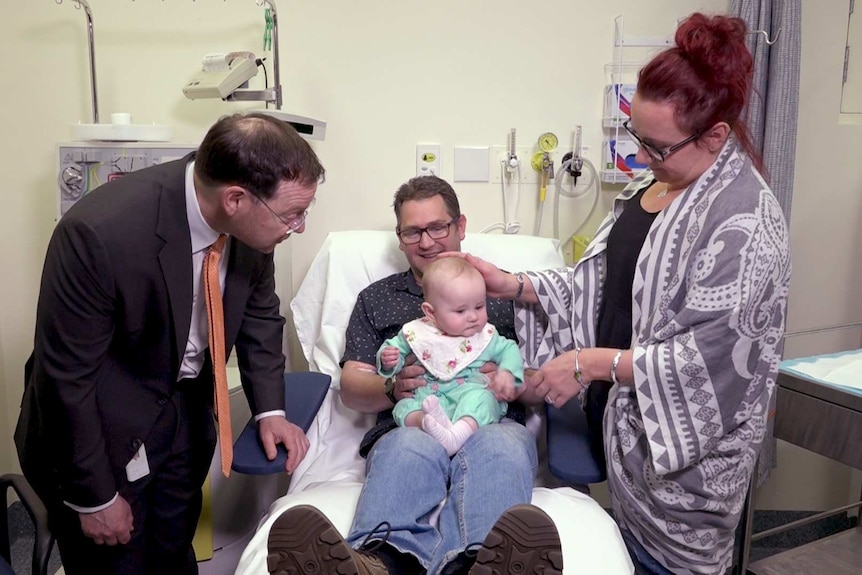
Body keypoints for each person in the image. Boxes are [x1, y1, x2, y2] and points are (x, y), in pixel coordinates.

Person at [456, 13, 792, 575]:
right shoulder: (657, 181)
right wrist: (515, 285)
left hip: (682, 476)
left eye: (656, 146)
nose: (640, 158)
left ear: (715, 134)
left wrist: (589, 363)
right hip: (623, 429)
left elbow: (708, 365)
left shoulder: (746, 223)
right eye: (636, 136)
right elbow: (603, 285)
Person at [15, 112, 323, 574]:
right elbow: (66, 380)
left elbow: (259, 314)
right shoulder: (100, 233)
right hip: (96, 430)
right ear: (236, 199)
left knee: (173, 555)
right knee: (116, 562)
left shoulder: (251, 230)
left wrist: (270, 411)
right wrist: (93, 496)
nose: (297, 226)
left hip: (181, 413)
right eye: (293, 214)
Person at [265, 175, 563, 575]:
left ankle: (479, 564)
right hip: (414, 423)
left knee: (504, 446)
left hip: (490, 423)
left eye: (437, 227)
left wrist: (510, 380)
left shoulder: (500, 293)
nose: (426, 242)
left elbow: (539, 381)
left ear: (460, 226)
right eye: (413, 232)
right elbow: (353, 385)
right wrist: (391, 387)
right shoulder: (377, 299)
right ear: (400, 237)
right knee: (405, 447)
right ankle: (377, 563)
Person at [377, 257, 523, 455]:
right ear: (431, 312)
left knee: (483, 399)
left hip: (468, 398)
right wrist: (388, 359)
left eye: (479, 306)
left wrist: (507, 372)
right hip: (428, 400)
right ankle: (427, 423)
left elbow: (509, 349)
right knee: (403, 407)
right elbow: (394, 350)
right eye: (461, 310)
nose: (473, 316)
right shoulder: (416, 333)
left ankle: (457, 435)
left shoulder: (486, 336)